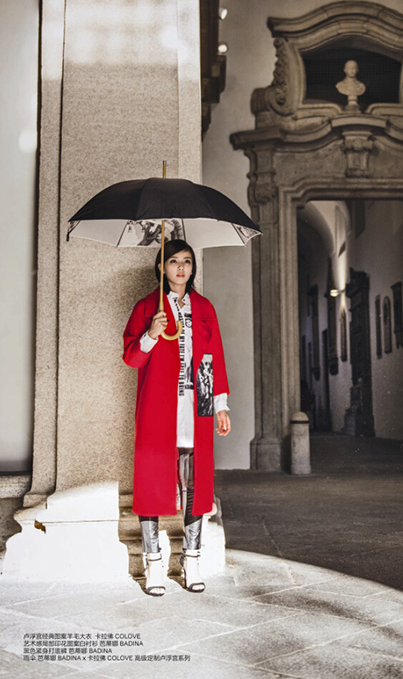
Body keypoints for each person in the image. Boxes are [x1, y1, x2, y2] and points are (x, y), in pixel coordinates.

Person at [123, 239, 231, 596]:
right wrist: (151, 335)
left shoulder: (204, 307)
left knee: (196, 484)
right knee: (152, 480)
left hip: (196, 401)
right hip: (157, 404)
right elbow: (131, 359)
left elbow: (212, 357)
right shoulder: (147, 307)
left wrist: (219, 405)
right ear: (161, 267)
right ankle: (153, 562)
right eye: (173, 261)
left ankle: (192, 559)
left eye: (187, 261)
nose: (181, 268)